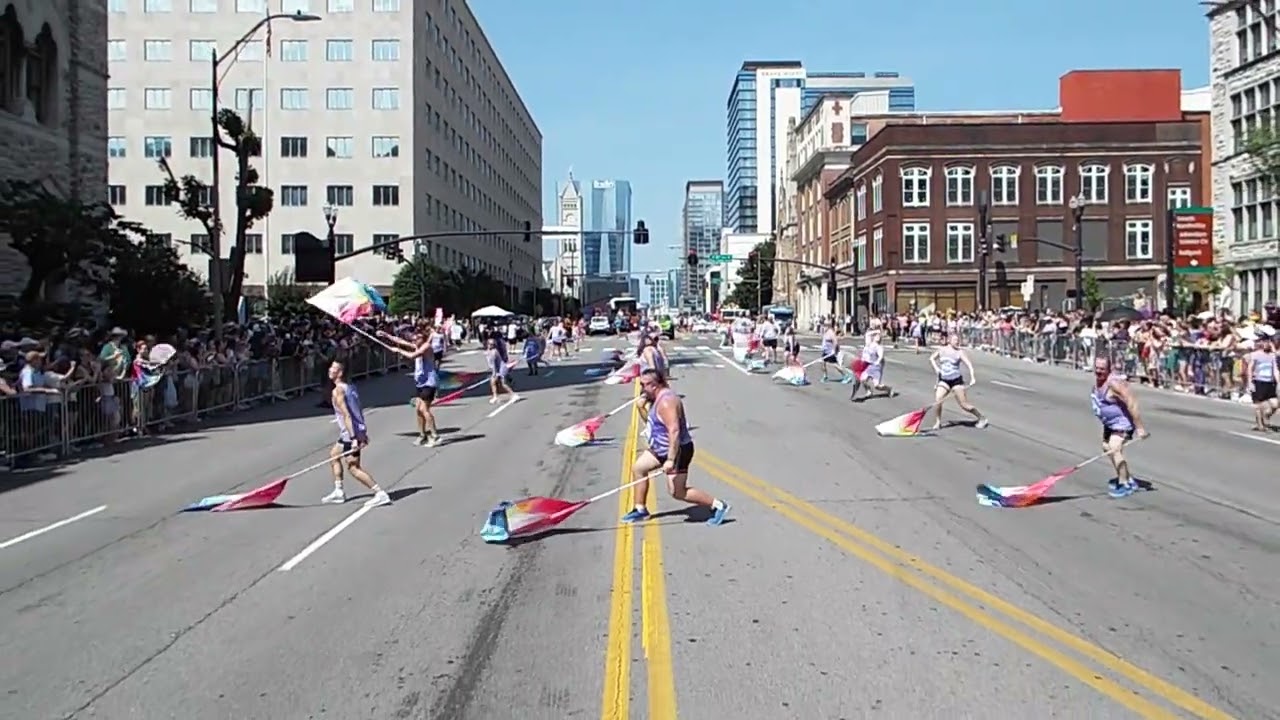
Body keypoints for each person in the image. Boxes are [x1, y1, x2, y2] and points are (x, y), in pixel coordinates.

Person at [621, 368, 730, 526]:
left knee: (677, 492)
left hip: (677, 450)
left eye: (644, 385)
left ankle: (719, 505)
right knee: (639, 468)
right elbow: (651, 424)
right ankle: (640, 509)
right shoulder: (655, 399)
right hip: (660, 448)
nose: (641, 389)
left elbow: (674, 430)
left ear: (655, 385)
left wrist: (671, 459)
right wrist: (640, 408)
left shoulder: (666, 402)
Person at [321, 361, 391, 507]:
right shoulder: (350, 387)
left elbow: (347, 415)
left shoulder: (338, 391)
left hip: (350, 433)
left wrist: (354, 438)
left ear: (340, 373)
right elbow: (357, 410)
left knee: (353, 468)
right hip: (351, 432)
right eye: (330, 367)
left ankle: (380, 493)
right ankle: (339, 491)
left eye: (333, 368)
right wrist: (362, 432)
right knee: (334, 455)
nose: (330, 370)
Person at [1091, 356, 1149, 498]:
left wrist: (1140, 427)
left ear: (1109, 369)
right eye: (1096, 368)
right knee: (1107, 448)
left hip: (1122, 424)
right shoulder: (1098, 382)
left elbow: (1131, 402)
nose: (1098, 371)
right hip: (1110, 424)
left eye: (1102, 369)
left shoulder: (1114, 384)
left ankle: (1124, 484)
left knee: (1114, 447)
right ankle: (1127, 477)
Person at [379, 324, 442, 447]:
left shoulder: (426, 347)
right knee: (418, 410)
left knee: (424, 409)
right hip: (420, 383)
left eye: (416, 338)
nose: (414, 340)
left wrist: (398, 350)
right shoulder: (417, 345)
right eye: (413, 339)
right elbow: (401, 341)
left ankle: (435, 436)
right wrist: (386, 335)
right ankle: (422, 435)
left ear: (423, 338)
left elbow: (413, 356)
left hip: (429, 382)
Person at [927, 333, 988, 430]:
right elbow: (932, 358)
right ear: (949, 341)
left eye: (958, 340)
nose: (957, 342)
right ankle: (938, 422)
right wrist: (937, 369)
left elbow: (969, 365)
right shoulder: (942, 350)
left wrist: (972, 377)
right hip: (944, 379)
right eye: (955, 340)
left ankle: (981, 417)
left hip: (956, 380)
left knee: (964, 405)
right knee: (938, 400)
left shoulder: (959, 352)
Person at [1243, 331, 1278, 431]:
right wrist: (1250, 382)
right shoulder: (1255, 355)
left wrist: (1278, 382)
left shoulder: (1272, 356)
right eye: (1265, 342)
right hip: (1258, 381)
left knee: (1275, 404)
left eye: (1268, 342)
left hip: (1269, 383)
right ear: (1261, 343)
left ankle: (1266, 416)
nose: (1267, 344)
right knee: (1258, 405)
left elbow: (1275, 369)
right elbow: (1250, 368)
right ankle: (1260, 425)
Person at [850, 328, 894, 401]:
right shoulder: (869, 343)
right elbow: (867, 334)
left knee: (877, 386)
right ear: (873, 337)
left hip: (876, 367)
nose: (878, 337)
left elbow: (881, 356)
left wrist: (878, 361)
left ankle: (889, 389)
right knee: (862, 379)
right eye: (876, 335)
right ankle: (869, 390)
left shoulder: (879, 347)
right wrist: (877, 331)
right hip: (868, 366)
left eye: (879, 336)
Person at [485, 334, 518, 404]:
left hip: (501, 369)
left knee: (503, 384)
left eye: (492, 344)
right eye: (489, 344)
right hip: (498, 369)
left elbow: (494, 364)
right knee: (493, 383)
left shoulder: (494, 352)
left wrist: (494, 373)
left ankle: (514, 395)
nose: (490, 345)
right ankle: (495, 396)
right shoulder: (489, 352)